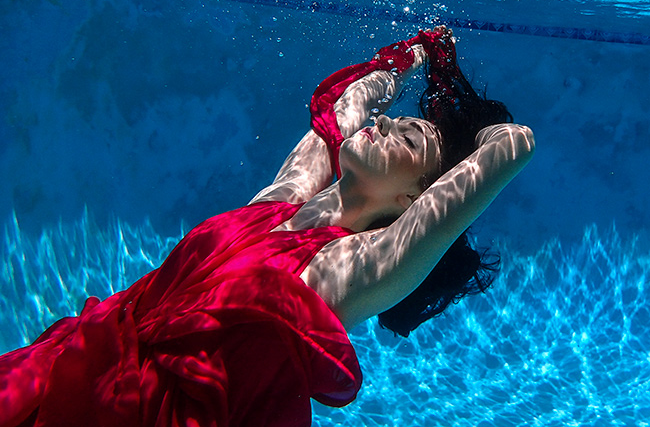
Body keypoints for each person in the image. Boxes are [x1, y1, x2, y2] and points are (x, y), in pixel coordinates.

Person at [0, 28, 534, 427]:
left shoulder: (354, 270)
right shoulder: (282, 200)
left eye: (410, 140)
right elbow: (352, 104)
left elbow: (514, 146)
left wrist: (463, 113)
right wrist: (410, 61)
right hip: (74, 358)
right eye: (399, 120)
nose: (388, 123)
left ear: (413, 199)